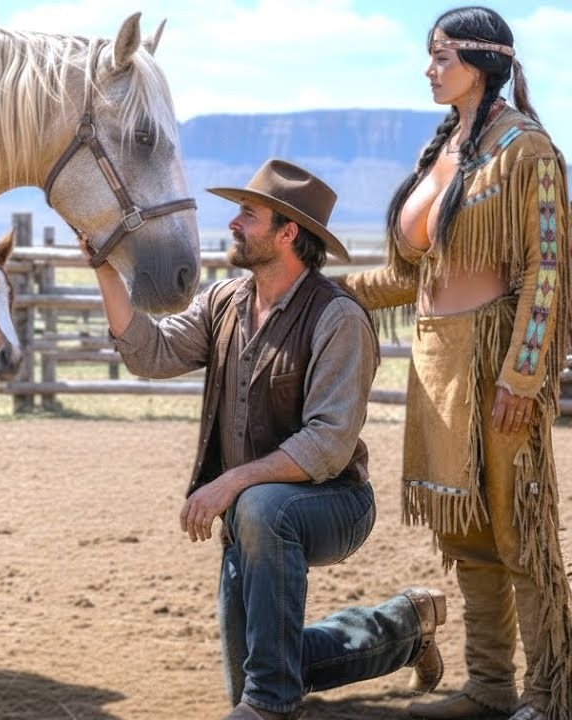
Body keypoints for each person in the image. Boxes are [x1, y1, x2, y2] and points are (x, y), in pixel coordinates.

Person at [83, 158, 448, 720]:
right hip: (255, 512)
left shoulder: (338, 318)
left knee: (259, 525)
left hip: (335, 503)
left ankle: (274, 707)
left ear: (288, 233)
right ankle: (403, 629)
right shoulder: (224, 302)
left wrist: (231, 482)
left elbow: (327, 445)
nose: (232, 223)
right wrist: (106, 269)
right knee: (262, 663)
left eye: (247, 215)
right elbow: (148, 351)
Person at [337, 7, 572, 720]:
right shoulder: (440, 151)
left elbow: (549, 268)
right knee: (468, 534)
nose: (429, 68)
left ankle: (551, 693)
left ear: (481, 60)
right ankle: (491, 686)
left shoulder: (527, 150)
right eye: (429, 55)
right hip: (437, 365)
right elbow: (415, 276)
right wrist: (324, 291)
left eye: (441, 55)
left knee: (519, 531)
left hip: (497, 364)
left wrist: (522, 376)